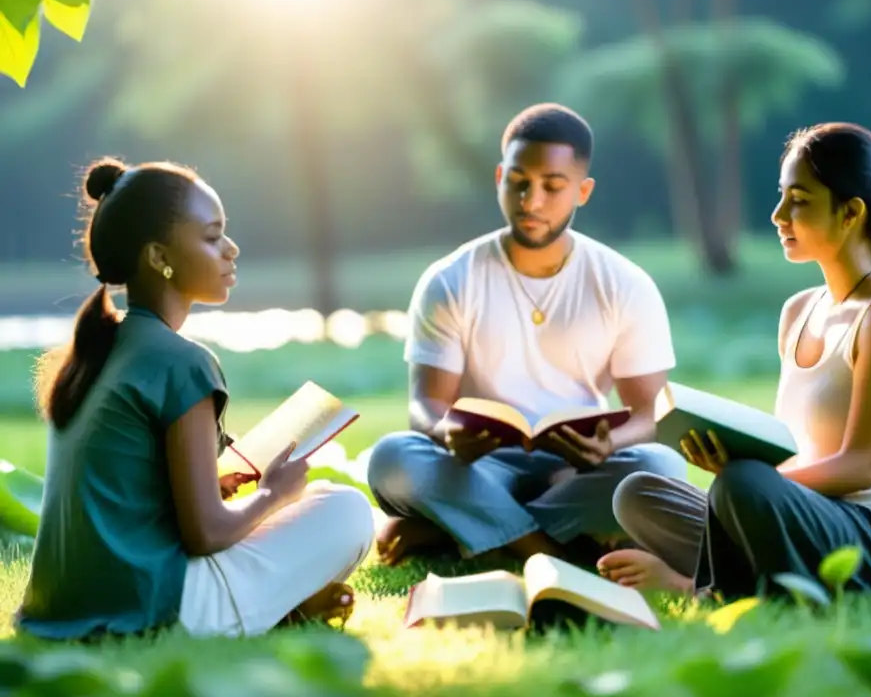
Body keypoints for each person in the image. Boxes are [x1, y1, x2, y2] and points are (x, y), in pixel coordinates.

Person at [16, 158, 375, 641]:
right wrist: (273, 494)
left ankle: (283, 607)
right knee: (345, 509)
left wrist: (217, 481)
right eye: (211, 237)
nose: (231, 249)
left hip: (61, 607)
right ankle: (278, 607)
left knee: (315, 508)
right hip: (154, 608)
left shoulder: (97, 349)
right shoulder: (181, 361)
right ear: (158, 256)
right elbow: (204, 534)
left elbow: (134, 494)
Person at [599, 122, 871, 600]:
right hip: (809, 516)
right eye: (782, 196)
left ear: (850, 213)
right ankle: (745, 561)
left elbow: (861, 467)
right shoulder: (799, 312)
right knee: (638, 494)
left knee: (741, 487)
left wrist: (749, 481)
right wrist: (730, 458)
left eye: (799, 200)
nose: (778, 214)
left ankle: (696, 588)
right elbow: (790, 448)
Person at [367, 103, 687, 566]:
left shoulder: (624, 283)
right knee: (395, 456)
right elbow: (425, 405)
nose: (531, 201)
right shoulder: (452, 278)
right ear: (500, 176)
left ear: (583, 191)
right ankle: (551, 548)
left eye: (552, 187)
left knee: (661, 466)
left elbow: (648, 415)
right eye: (518, 182)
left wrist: (608, 445)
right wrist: (446, 432)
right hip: (476, 470)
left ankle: (454, 528)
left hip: (574, 474)